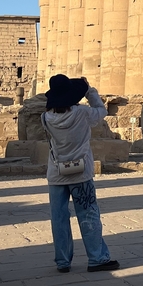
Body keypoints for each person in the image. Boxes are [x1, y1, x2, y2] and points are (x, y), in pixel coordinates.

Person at [42, 74, 119, 274]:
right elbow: (101, 111)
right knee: (88, 214)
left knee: (59, 218)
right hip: (80, 172)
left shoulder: (46, 117)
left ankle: (63, 261)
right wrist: (89, 91)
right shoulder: (82, 113)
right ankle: (97, 257)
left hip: (56, 173)